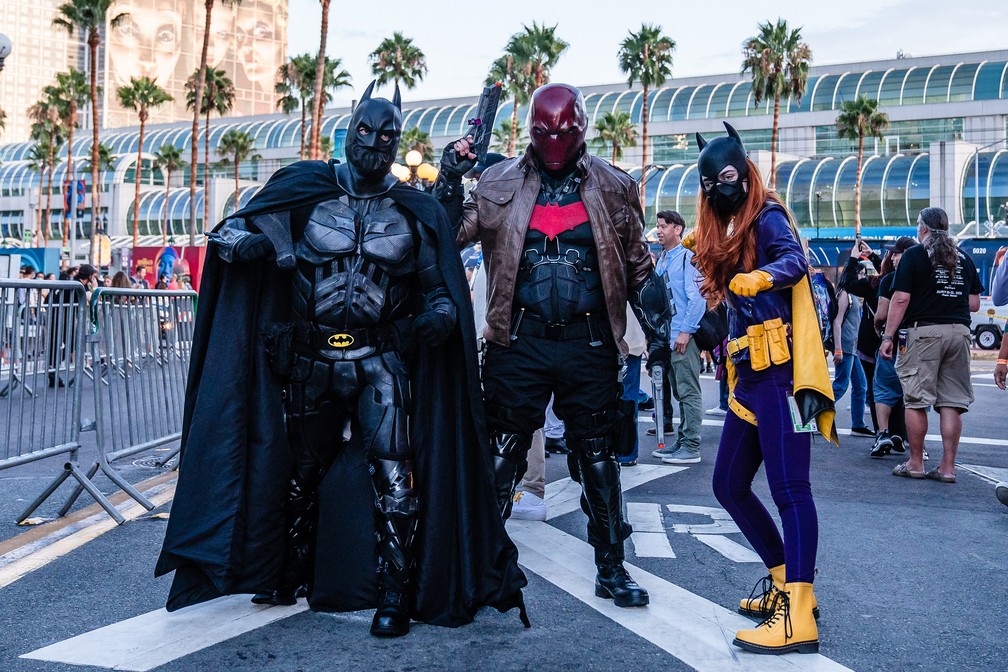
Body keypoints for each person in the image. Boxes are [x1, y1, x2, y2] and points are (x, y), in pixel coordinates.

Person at [156, 81, 527, 638]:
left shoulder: (414, 211)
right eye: (365, 131)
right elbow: (229, 230)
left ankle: (395, 595)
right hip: (309, 359)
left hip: (381, 362)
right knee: (298, 474)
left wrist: (434, 321)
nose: (373, 143)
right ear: (348, 129)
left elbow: (442, 292)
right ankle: (287, 570)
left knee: (395, 480)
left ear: (397, 144)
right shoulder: (304, 191)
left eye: (386, 136)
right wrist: (252, 245)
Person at [436, 82, 672, 609]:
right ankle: (478, 566)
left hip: (588, 342)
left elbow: (637, 266)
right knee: (500, 454)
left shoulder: (613, 185)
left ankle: (611, 567)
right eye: (547, 131)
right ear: (534, 131)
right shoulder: (497, 182)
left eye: (566, 129)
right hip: (517, 341)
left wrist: (659, 339)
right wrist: (449, 180)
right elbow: (447, 235)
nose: (558, 139)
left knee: (597, 456)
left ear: (581, 125)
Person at [689, 122, 836, 655]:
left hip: (781, 375)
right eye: (709, 183)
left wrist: (765, 277)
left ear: (745, 172)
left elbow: (797, 260)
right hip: (747, 375)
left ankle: (799, 613)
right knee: (728, 484)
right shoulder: (729, 226)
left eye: (726, 177)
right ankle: (782, 583)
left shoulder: (766, 214)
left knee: (791, 491)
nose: (718, 190)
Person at [880, 207, 982, 483]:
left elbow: (900, 299)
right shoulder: (963, 258)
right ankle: (948, 468)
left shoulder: (914, 255)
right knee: (952, 402)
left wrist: (888, 336)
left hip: (924, 332)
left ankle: (915, 463)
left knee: (916, 399)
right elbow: (973, 303)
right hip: (959, 332)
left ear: (923, 229)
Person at [653, 210, 704, 464]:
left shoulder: (687, 259)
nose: (659, 230)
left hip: (682, 337)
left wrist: (686, 331)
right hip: (667, 338)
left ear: (678, 229)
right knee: (678, 392)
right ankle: (682, 441)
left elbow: (698, 299)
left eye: (664, 226)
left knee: (688, 392)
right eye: (658, 226)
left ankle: (691, 445)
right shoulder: (662, 260)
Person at [870, 238, 915, 457]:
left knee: (883, 389)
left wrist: (881, 331)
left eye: (896, 254)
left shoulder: (890, 280)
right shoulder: (925, 279)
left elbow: (881, 314)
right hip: (917, 342)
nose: (893, 257)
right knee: (914, 393)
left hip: (894, 341)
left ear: (906, 254)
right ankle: (918, 443)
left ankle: (883, 433)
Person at [831, 260, 873, 437]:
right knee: (840, 385)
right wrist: (838, 348)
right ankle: (816, 414)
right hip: (846, 346)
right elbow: (837, 322)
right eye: (861, 273)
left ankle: (858, 424)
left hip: (853, 347)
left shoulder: (853, 294)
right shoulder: (844, 294)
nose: (863, 277)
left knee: (861, 385)